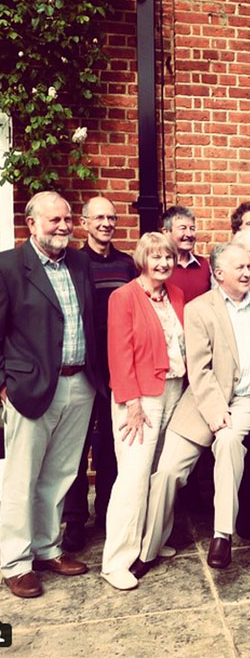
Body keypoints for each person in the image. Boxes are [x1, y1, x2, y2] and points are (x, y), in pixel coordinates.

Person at [135, 243, 250, 573]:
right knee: (168, 471)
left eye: (249, 266)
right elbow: (198, 369)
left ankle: (221, 535)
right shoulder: (200, 309)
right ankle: (148, 550)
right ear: (218, 274)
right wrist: (215, 410)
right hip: (204, 399)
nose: (248, 272)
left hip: (247, 399)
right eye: (239, 268)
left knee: (229, 441)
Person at [0, 191, 102, 598]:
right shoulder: (8, 266)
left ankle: (46, 549)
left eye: (67, 219)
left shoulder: (78, 261)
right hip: (31, 388)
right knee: (20, 479)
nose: (63, 226)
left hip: (80, 384)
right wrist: (4, 384)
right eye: (54, 220)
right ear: (32, 224)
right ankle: (14, 561)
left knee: (59, 476)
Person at [101, 232, 186, 590]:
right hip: (140, 398)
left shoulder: (176, 295)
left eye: (167, 257)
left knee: (159, 471)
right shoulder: (124, 297)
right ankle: (116, 560)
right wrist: (131, 402)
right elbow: (118, 353)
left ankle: (152, 541)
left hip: (176, 390)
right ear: (142, 260)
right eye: (155, 257)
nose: (163, 263)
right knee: (133, 476)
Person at [62, 196, 137, 552]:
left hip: (117, 368)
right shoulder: (74, 262)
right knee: (76, 446)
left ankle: (107, 512)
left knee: (109, 444)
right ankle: (75, 521)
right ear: (85, 222)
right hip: (84, 365)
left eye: (112, 217)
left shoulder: (126, 265)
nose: (106, 223)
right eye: (99, 218)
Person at [162, 205, 211, 302]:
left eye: (192, 228)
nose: (189, 234)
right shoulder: (160, 266)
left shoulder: (204, 265)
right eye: (183, 228)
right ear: (166, 232)